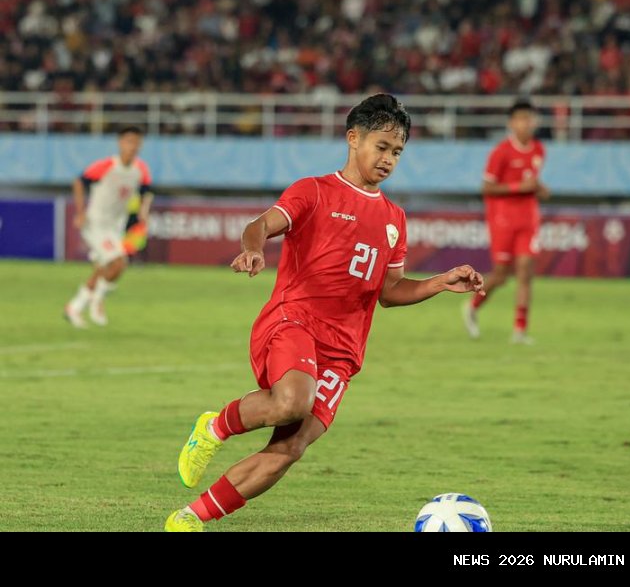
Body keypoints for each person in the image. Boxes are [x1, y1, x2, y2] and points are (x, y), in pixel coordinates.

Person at [164, 94, 485, 532]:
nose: (389, 159)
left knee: (291, 447)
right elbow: (259, 224)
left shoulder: (394, 218)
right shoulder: (313, 191)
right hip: (292, 320)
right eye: (382, 147)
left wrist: (438, 282)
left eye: (397, 152)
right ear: (353, 139)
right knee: (294, 401)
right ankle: (214, 427)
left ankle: (189, 519)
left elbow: (388, 292)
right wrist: (253, 250)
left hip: (343, 351)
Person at [462, 98, 550, 344]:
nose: (526, 124)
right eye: (521, 119)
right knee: (501, 275)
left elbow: (530, 181)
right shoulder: (501, 152)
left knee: (525, 273)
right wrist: (518, 187)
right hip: (502, 219)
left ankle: (520, 330)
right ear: (512, 123)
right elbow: (487, 188)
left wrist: (539, 189)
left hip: (528, 219)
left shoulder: (539, 150)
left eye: (530, 119)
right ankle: (472, 306)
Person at [63, 127, 153, 327]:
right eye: (128, 141)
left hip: (115, 226)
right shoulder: (106, 165)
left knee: (104, 268)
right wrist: (80, 212)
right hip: (95, 223)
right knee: (119, 263)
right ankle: (97, 300)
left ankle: (75, 307)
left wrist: (144, 212)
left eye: (136, 142)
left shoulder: (141, 169)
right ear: (120, 143)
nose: (132, 146)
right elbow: (79, 182)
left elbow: (146, 191)